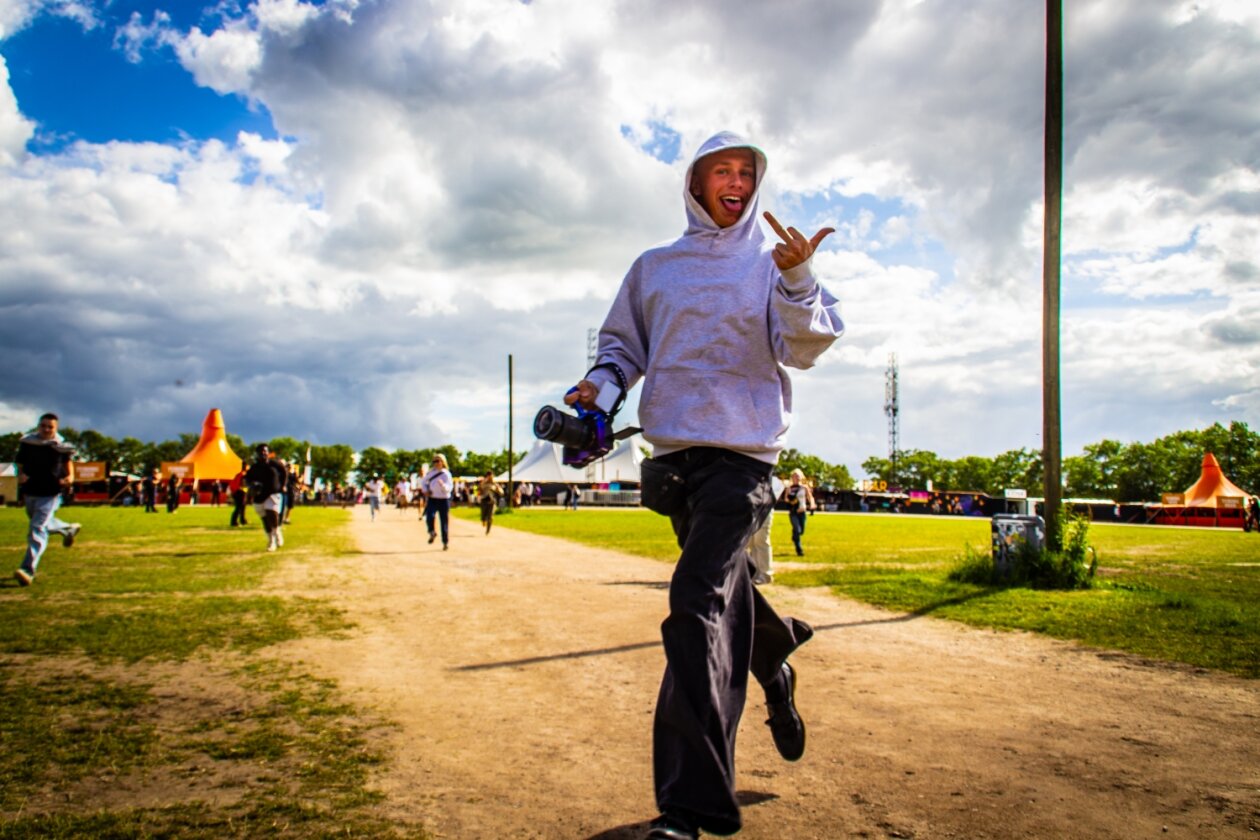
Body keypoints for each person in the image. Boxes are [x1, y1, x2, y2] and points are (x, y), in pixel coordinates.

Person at [564, 131, 843, 839]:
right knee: (723, 597)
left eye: (747, 171)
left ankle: (690, 808)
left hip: (744, 461)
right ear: (694, 183)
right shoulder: (655, 267)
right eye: (722, 169)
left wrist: (801, 279)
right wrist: (597, 389)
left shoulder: (773, 264)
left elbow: (805, 349)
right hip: (674, 460)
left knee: (694, 604)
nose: (737, 181)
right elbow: (622, 347)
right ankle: (773, 660)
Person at [13, 413, 82, 586]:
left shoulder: (60, 446)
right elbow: (19, 463)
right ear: (38, 426)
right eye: (43, 426)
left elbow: (68, 463)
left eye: (50, 427)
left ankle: (28, 569)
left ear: (56, 428)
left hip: (51, 492)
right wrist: (20, 475)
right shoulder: (28, 443)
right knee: (42, 524)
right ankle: (67, 529)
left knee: (37, 529)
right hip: (30, 490)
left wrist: (71, 477)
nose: (46, 429)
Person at [245, 444, 287, 551]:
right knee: (265, 519)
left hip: (273, 493)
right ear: (257, 454)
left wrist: (283, 485)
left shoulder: (274, 464)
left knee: (272, 513)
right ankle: (271, 540)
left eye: (265, 451)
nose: (263, 453)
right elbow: (247, 480)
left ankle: (276, 532)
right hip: (259, 495)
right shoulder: (255, 467)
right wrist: (252, 485)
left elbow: (284, 472)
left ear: (268, 452)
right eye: (261, 451)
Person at [748, 474, 786, 584]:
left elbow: (773, 497)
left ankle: (765, 574)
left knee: (761, 541)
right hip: (752, 511)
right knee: (751, 542)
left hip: (764, 512)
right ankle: (755, 572)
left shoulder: (774, 481)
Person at [420, 454, 453, 550]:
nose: (436, 463)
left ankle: (445, 542)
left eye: (438, 461)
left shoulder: (446, 474)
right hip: (432, 498)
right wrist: (425, 491)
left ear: (443, 462)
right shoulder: (430, 473)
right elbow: (423, 483)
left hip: (443, 499)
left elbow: (449, 488)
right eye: (434, 461)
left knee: (444, 521)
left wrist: (443, 486)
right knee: (429, 516)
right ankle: (432, 532)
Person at [784, 469, 816, 557]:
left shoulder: (804, 487)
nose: (796, 478)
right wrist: (790, 499)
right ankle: (799, 550)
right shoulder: (789, 488)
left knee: (801, 531)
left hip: (802, 512)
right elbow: (785, 499)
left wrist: (812, 504)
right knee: (797, 530)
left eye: (797, 476)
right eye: (794, 476)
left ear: (801, 477)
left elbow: (810, 497)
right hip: (793, 512)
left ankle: (794, 536)